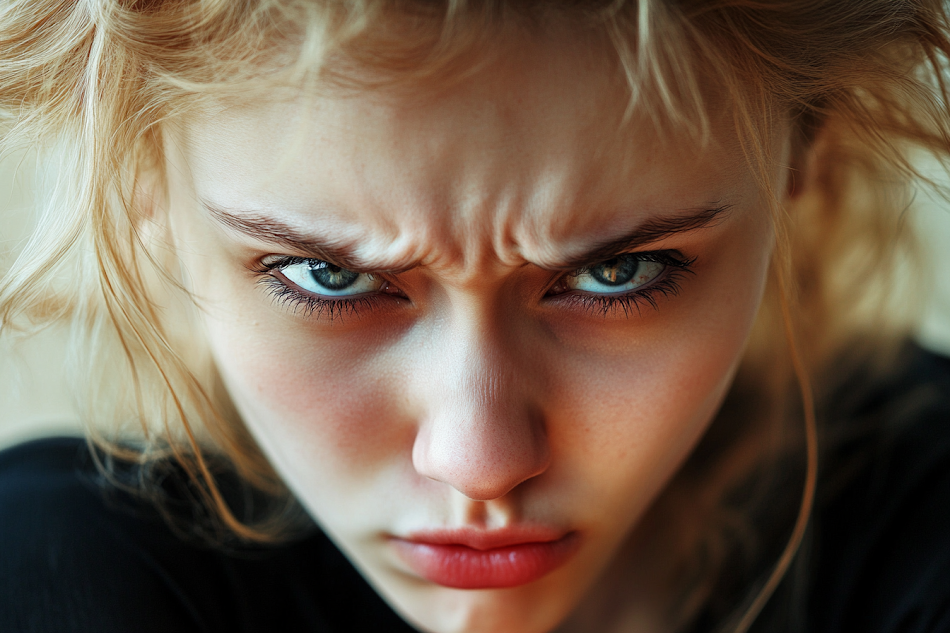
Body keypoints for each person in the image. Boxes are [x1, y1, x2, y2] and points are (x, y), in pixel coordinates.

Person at [0, 1, 948, 631]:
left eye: (618, 272)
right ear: (145, 187)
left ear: (802, 147)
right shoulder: (66, 575)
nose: (479, 459)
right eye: (327, 278)